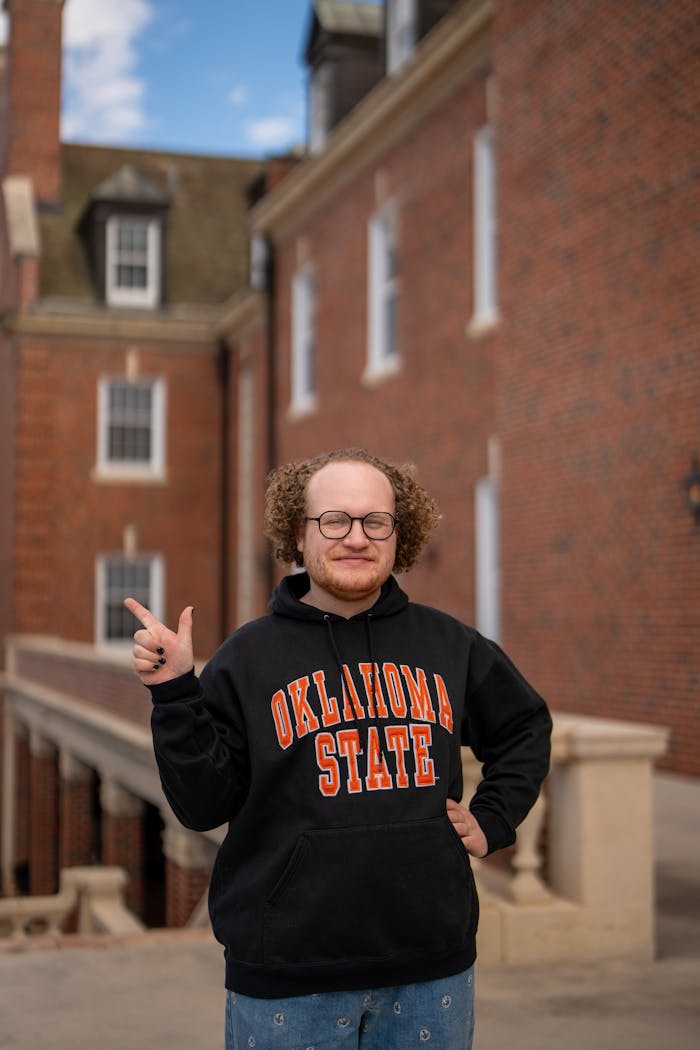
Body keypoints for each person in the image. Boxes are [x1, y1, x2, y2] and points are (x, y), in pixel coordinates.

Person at [125, 447, 552, 1050]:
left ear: (398, 536)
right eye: (334, 521)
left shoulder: (450, 644)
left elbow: (525, 727)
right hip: (287, 979)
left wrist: (493, 817)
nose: (356, 537)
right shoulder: (248, 659)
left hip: (432, 970)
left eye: (375, 521)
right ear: (298, 536)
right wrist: (174, 694)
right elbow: (201, 806)